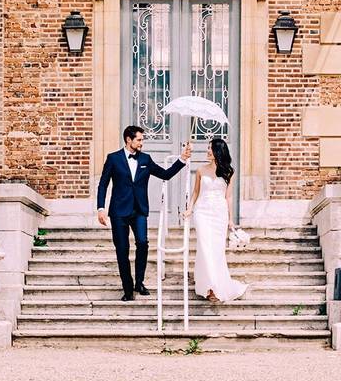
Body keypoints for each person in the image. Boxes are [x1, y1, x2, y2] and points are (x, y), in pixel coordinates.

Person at [97, 126, 192, 301]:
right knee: (122, 250)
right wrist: (100, 208)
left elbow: (165, 174)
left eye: (142, 139)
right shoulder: (113, 158)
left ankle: (139, 282)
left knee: (143, 243)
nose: (142, 143)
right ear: (128, 139)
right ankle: (127, 288)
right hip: (118, 211)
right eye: (139, 139)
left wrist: (182, 159)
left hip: (139, 210)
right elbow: (103, 184)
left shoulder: (146, 159)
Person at [183, 137, 247, 303]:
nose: (207, 150)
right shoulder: (200, 170)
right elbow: (196, 192)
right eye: (207, 148)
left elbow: (229, 196)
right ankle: (209, 287)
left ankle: (216, 285)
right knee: (204, 247)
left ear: (218, 151)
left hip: (219, 213)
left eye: (210, 148)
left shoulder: (228, 171)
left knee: (216, 250)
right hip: (202, 212)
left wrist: (230, 219)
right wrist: (190, 208)